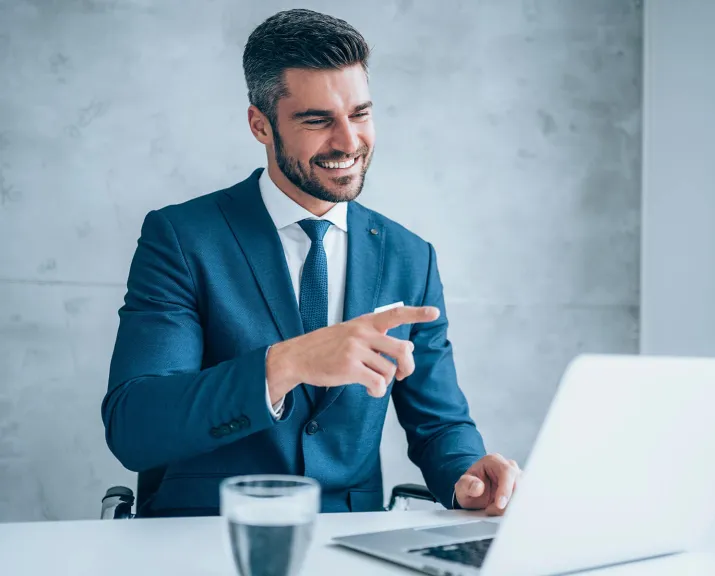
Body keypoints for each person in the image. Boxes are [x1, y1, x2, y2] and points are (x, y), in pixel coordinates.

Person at [102, 8, 520, 517]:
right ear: (260, 124)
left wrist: (466, 473)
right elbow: (135, 425)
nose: (348, 142)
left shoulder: (411, 256)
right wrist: (290, 362)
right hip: (206, 535)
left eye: (360, 114)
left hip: (351, 542)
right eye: (318, 120)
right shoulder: (182, 239)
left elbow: (440, 423)